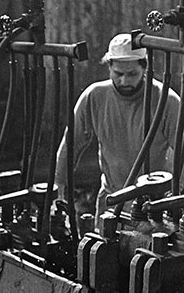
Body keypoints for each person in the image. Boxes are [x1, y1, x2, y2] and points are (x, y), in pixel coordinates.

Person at [55, 33, 181, 226]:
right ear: (109, 68)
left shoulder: (166, 100)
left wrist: (176, 197)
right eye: (118, 74)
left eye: (132, 74)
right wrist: (60, 189)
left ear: (144, 68)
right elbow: (70, 144)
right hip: (111, 201)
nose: (124, 81)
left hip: (153, 208)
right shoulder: (94, 97)